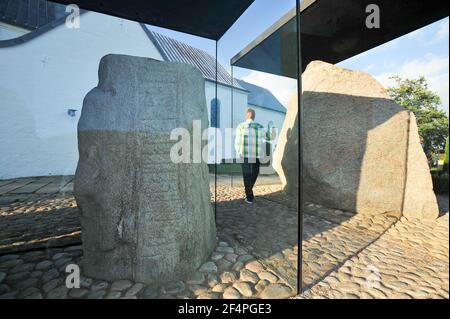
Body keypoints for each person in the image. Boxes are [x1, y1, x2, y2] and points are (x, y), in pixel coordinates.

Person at [234, 108, 267, 204]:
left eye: (245, 114)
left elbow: (237, 141)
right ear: (254, 116)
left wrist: (238, 152)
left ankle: (249, 196)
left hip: (244, 154)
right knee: (254, 173)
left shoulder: (241, 126)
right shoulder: (259, 126)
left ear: (246, 115)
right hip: (256, 155)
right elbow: (269, 137)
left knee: (247, 175)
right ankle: (249, 193)